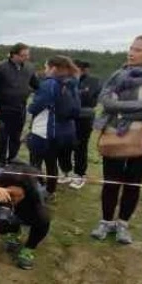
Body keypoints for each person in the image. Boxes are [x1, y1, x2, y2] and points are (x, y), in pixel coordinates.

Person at [90, 34, 142, 245]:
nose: (131, 52)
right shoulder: (119, 74)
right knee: (111, 181)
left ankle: (123, 224)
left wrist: (124, 113)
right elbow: (106, 102)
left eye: (138, 50)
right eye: (131, 48)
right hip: (115, 135)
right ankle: (106, 221)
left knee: (133, 182)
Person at [26, 56, 81, 200]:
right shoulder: (71, 84)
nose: (45, 71)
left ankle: (36, 190)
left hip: (45, 130)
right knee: (52, 162)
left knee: (35, 162)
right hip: (65, 130)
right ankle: (50, 190)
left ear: (53, 68)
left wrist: (30, 107)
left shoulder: (50, 84)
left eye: (46, 67)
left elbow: (37, 105)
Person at [0, 42, 39, 167]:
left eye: (27, 55)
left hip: (20, 108)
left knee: (16, 135)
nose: (26, 58)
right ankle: (1, 161)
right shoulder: (1, 68)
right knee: (3, 136)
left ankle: (12, 159)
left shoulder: (29, 68)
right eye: (23, 55)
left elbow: (37, 85)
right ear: (14, 55)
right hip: (3, 108)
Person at [58, 60, 101, 189]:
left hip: (84, 118)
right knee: (64, 145)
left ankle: (79, 174)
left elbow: (88, 98)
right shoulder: (65, 80)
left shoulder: (94, 81)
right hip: (67, 118)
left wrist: (72, 94)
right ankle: (65, 171)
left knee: (80, 147)